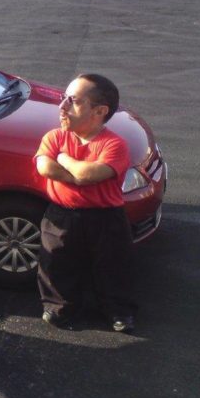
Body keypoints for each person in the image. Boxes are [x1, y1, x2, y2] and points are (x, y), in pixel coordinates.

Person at [34, 73, 136, 333]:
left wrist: (66, 160)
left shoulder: (114, 145)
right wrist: (79, 175)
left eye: (73, 101)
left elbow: (88, 175)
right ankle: (59, 310)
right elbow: (44, 166)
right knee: (56, 265)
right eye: (63, 98)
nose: (62, 106)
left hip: (104, 219)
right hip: (61, 215)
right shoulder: (54, 136)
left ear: (100, 111)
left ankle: (118, 312)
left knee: (111, 267)